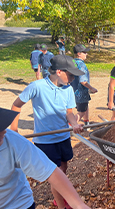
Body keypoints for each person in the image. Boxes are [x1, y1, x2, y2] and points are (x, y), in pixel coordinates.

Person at [11, 55, 85, 209]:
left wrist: (75, 124)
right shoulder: (36, 87)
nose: (72, 78)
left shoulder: (68, 89)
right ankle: (61, 206)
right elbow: (16, 105)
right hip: (46, 141)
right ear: (59, 71)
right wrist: (14, 132)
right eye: (70, 74)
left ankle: (60, 198)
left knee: (63, 169)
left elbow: (69, 112)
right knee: (56, 174)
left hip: (63, 137)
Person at [0, 107, 91, 209]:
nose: (4, 131)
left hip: (17, 204)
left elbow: (50, 171)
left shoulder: (12, 140)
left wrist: (79, 205)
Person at [71, 44, 98, 125]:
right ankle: (71, 127)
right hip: (81, 93)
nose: (86, 54)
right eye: (84, 52)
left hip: (73, 90)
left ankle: (86, 123)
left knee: (85, 107)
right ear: (79, 54)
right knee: (81, 112)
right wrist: (91, 88)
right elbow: (83, 81)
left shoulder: (72, 62)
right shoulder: (81, 65)